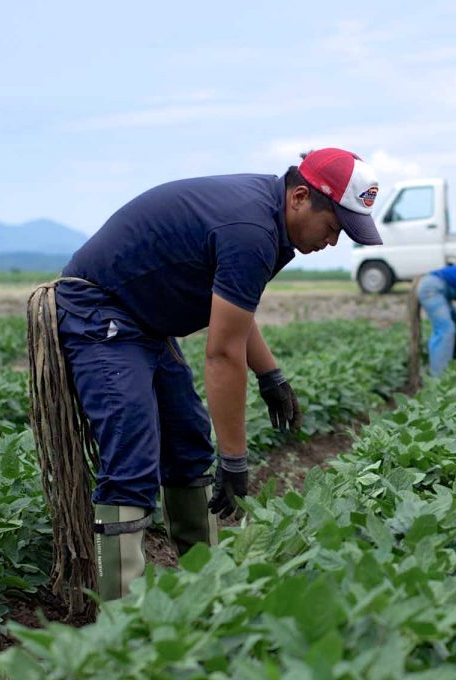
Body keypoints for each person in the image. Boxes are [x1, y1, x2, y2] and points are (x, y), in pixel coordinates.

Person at [33, 147, 383, 601]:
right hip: (101, 310)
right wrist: (235, 459)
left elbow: (234, 309)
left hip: (146, 319)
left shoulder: (271, 219)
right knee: (132, 455)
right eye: (333, 227)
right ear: (300, 197)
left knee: (187, 441)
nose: (333, 242)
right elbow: (220, 354)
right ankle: (118, 616)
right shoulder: (252, 229)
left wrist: (269, 373)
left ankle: (207, 586)